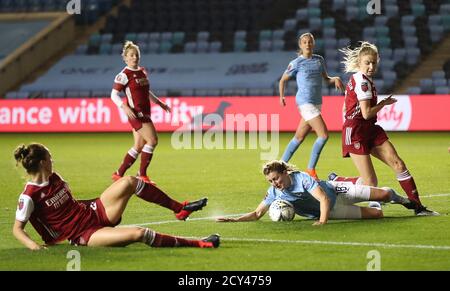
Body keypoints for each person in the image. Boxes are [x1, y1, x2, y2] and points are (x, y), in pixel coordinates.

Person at [12, 143, 218, 250]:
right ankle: (199, 243)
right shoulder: (29, 196)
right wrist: (35, 247)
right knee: (140, 234)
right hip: (84, 234)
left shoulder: (54, 177)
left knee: (130, 181)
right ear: (41, 162)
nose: (52, 160)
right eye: (49, 157)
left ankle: (179, 209)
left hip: (93, 211)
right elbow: (17, 229)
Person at [338, 41, 438, 216]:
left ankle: (418, 208)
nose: (370, 66)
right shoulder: (363, 83)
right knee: (370, 181)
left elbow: (347, 108)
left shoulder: (361, 79)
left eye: (373, 63)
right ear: (360, 62)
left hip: (369, 128)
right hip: (355, 131)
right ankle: (340, 184)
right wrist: (383, 103)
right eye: (367, 63)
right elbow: (367, 113)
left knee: (398, 163)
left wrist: (349, 114)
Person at [216, 160, 415, 225]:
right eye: (270, 181)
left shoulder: (301, 178)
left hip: (335, 193)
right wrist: (235, 220)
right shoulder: (274, 192)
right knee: (378, 215)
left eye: (276, 178)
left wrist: (322, 221)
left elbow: (322, 199)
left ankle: (401, 198)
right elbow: (257, 213)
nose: (274, 183)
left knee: (383, 195)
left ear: (285, 173)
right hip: (331, 209)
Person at [278, 32, 345, 180]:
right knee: (323, 135)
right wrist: (282, 96)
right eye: (304, 42)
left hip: (316, 102)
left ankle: (279, 166)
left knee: (299, 137)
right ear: (300, 45)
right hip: (305, 102)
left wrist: (335, 79)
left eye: (310, 42)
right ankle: (311, 169)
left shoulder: (319, 60)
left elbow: (326, 80)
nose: (307, 44)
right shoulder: (296, 63)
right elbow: (282, 80)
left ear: (313, 44)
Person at [110, 41, 171, 184]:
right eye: (131, 55)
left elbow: (145, 91)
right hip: (136, 113)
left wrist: (159, 103)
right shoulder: (124, 75)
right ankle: (142, 174)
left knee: (138, 146)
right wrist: (123, 107)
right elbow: (113, 95)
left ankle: (118, 174)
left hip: (145, 111)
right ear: (125, 58)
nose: (134, 57)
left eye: (136, 55)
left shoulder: (142, 71)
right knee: (153, 140)